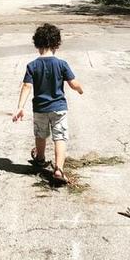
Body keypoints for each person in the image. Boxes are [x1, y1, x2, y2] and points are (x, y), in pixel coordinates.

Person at [12, 23, 84, 185]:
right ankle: (58, 168)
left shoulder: (32, 65)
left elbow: (27, 86)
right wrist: (80, 89)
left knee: (40, 135)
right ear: (56, 44)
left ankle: (40, 158)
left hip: (40, 109)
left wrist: (20, 107)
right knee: (60, 138)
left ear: (37, 44)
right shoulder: (61, 64)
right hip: (59, 109)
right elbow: (73, 83)